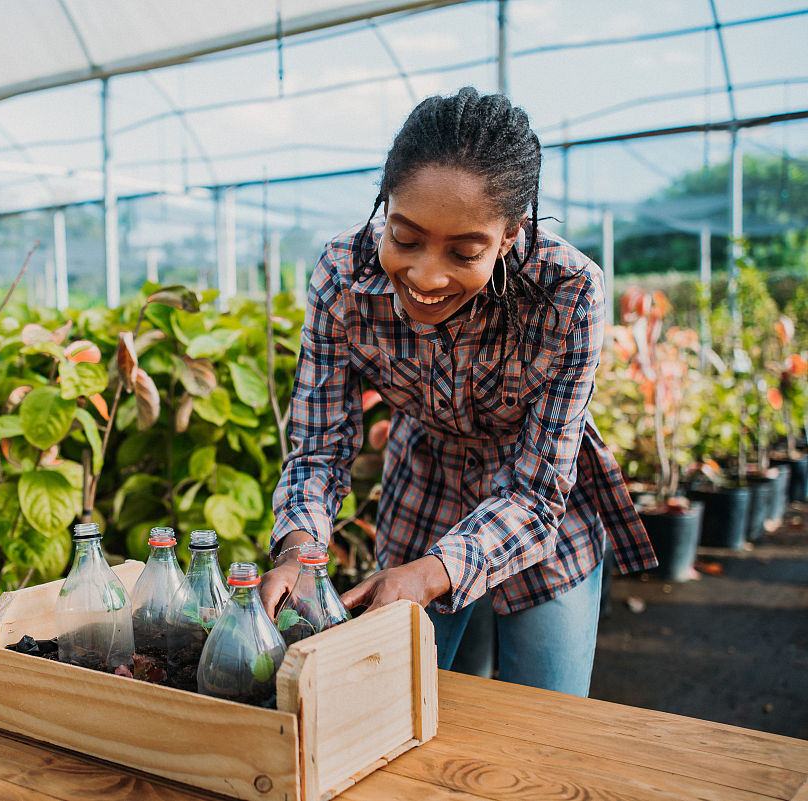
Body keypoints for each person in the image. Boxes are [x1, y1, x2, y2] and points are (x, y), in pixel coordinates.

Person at [259, 87, 656, 697]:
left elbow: (536, 490)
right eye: (405, 237)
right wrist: (299, 549)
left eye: (465, 251)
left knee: (542, 716)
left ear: (509, 236)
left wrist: (434, 574)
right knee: (396, 699)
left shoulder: (569, 289)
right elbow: (318, 446)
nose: (426, 275)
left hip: (540, 505)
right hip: (425, 478)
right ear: (384, 204)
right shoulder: (342, 275)